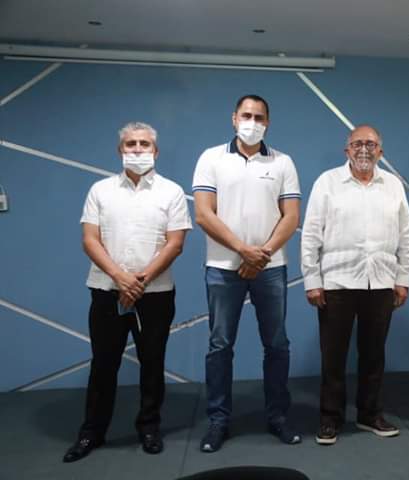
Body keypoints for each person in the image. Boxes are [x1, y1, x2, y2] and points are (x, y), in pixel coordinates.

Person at [63, 122, 192, 462]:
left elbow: (175, 243)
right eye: (131, 144)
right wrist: (121, 278)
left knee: (153, 361)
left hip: (156, 293)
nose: (137, 149)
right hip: (107, 290)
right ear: (120, 150)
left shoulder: (172, 192)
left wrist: (140, 281)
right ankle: (91, 432)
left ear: (156, 151)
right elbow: (90, 240)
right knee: (103, 364)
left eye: (144, 144)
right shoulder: (100, 190)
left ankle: (149, 427)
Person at [192, 94, 302, 452]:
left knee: (277, 345)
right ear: (234, 118)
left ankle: (278, 417)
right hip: (223, 268)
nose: (252, 122)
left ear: (267, 122)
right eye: (246, 115)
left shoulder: (283, 162)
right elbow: (204, 214)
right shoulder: (211, 158)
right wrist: (243, 250)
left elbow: (291, 217)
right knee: (220, 346)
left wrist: (262, 254)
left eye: (259, 117)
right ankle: (218, 421)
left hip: (271, 267)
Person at [301, 125, 409, 445]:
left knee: (374, 355)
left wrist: (403, 278)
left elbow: (407, 235)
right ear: (347, 150)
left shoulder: (393, 185)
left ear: (380, 151)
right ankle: (330, 418)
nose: (364, 149)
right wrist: (312, 280)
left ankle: (369, 414)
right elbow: (310, 234)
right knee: (333, 356)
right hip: (336, 282)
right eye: (357, 144)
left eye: (371, 144)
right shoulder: (327, 183)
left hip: (381, 282)